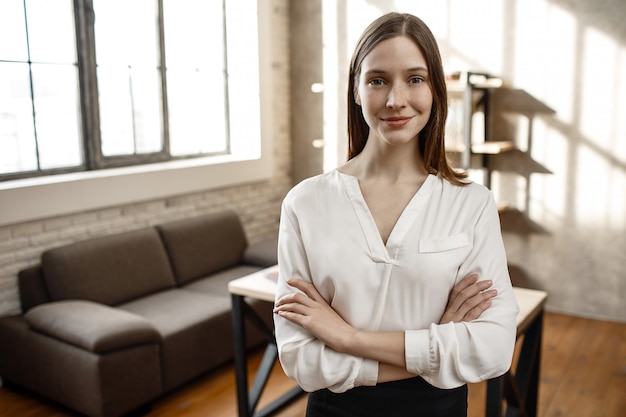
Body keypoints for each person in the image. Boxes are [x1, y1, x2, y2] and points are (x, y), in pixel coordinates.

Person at [273, 12, 519, 417]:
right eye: (378, 80)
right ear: (356, 90)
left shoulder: (470, 204)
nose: (395, 100)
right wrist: (438, 345)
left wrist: (349, 339)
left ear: (436, 90)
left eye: (415, 79)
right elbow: (302, 360)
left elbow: (492, 349)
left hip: (438, 408)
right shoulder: (305, 202)